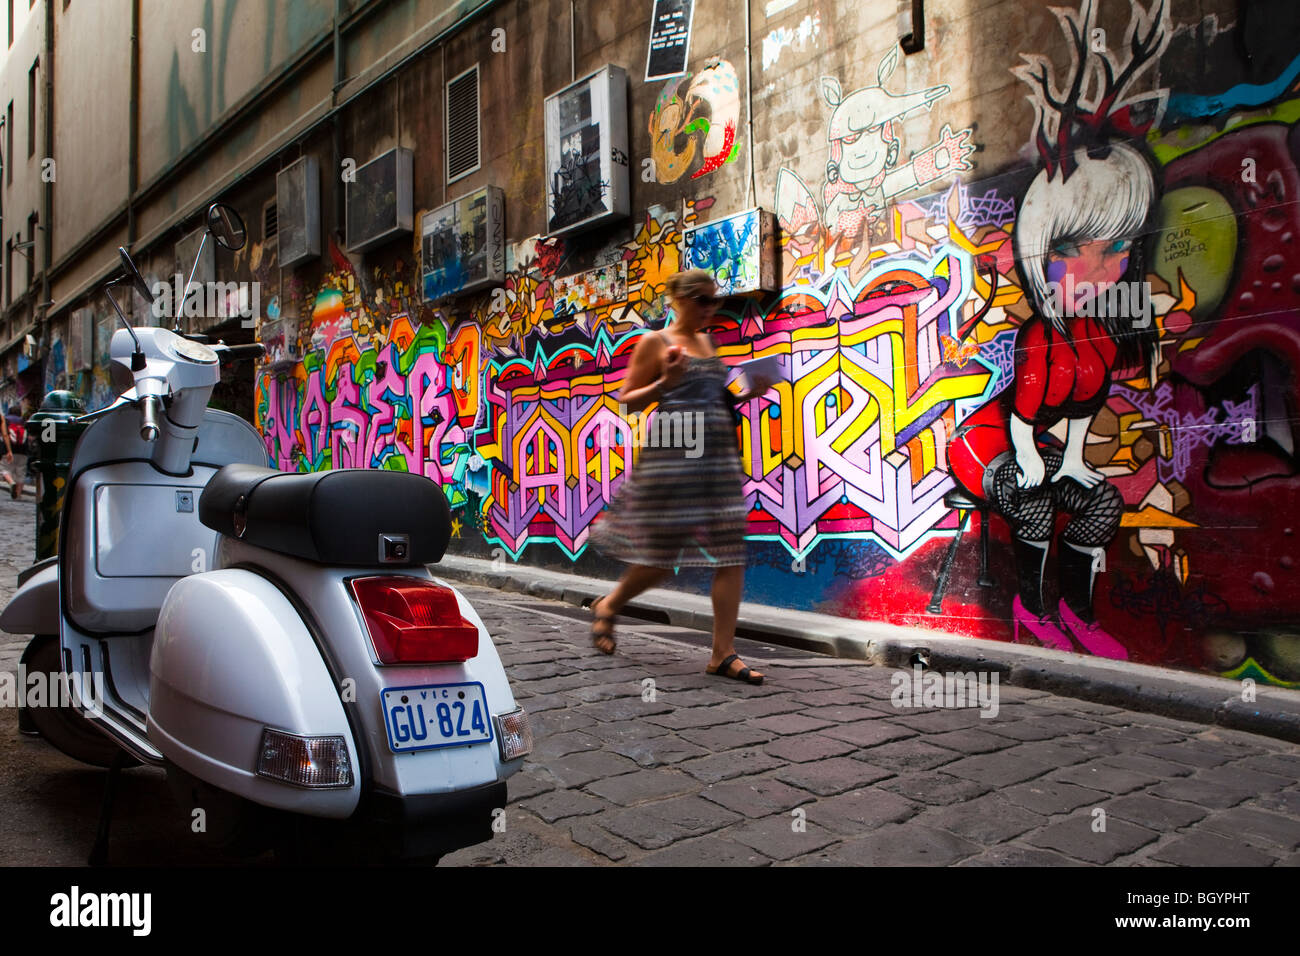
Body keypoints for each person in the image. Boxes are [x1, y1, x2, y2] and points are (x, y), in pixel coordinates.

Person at [948, 141, 1157, 660]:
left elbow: (1085, 407)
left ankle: (1076, 615)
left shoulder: (1100, 334)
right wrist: (1029, 456)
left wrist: (1072, 461)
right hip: (985, 442)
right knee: (1033, 497)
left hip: (1037, 443)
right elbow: (1022, 410)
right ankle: (1032, 612)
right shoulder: (1040, 335)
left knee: (1102, 500)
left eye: (1116, 248)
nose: (1095, 270)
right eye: (1070, 249)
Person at [589, 269, 774, 684]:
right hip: (673, 458)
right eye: (703, 300)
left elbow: (714, 397)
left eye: (715, 300)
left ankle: (722, 654)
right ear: (680, 300)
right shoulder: (655, 342)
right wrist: (664, 383)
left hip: (718, 459)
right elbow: (627, 403)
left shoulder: (709, 342)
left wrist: (747, 390)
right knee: (660, 560)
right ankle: (609, 605)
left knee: (731, 552)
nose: (712, 308)